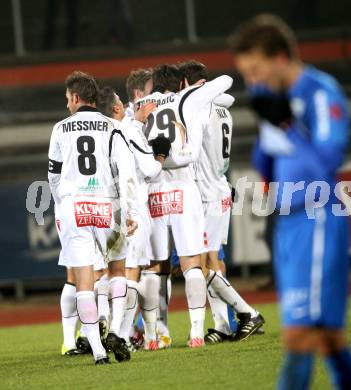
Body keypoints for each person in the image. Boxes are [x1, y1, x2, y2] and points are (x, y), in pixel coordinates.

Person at [229, 14, 351, 389]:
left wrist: (288, 122)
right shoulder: (276, 101)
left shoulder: (320, 92)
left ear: (279, 58)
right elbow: (267, 165)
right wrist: (269, 124)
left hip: (318, 217)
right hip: (288, 223)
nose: (252, 82)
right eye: (247, 75)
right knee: (329, 339)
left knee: (299, 337)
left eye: (256, 71)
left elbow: (328, 159)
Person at [48, 71, 139, 365]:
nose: (66, 105)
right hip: (106, 205)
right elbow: (124, 173)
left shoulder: (60, 129)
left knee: (83, 282)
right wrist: (130, 210)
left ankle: (98, 351)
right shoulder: (112, 127)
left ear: (76, 98)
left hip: (75, 207)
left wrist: (65, 202)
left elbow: (53, 177)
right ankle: (115, 330)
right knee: (117, 271)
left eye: (67, 99)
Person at [140, 64, 233, 347]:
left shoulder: (142, 106)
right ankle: (195, 333)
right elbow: (227, 81)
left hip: (154, 191)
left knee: (156, 267)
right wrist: (198, 89)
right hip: (184, 188)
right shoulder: (187, 97)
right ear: (181, 82)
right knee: (193, 263)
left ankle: (154, 336)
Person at [179, 60, 265, 343]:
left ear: (190, 84)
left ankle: (247, 312)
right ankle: (223, 325)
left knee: (201, 264)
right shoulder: (224, 110)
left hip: (206, 194)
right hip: (219, 188)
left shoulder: (199, 108)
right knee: (212, 261)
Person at [97, 84, 170, 351]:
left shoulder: (101, 133)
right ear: (116, 108)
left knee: (107, 273)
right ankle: (122, 333)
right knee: (130, 274)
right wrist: (161, 154)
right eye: (121, 102)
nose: (127, 106)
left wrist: (137, 120)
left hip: (104, 210)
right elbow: (150, 170)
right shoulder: (126, 131)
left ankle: (102, 325)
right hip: (132, 209)